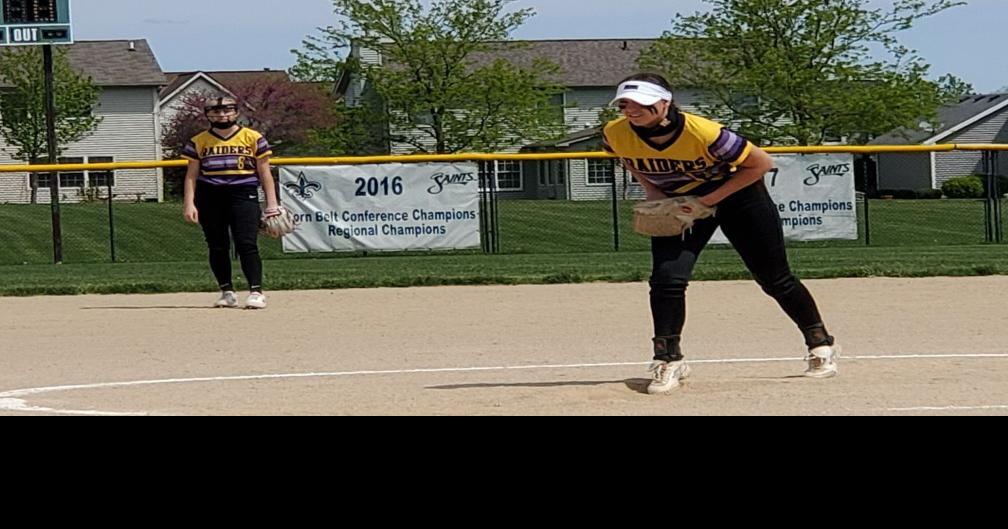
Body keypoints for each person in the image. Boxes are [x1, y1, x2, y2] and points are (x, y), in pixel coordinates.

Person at [602, 73, 839, 395]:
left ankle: (820, 344)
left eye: (641, 103)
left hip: (740, 198)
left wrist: (706, 202)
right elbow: (627, 159)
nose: (632, 110)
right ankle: (668, 359)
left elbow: (761, 164)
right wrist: (654, 192)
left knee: (774, 278)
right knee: (667, 279)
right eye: (626, 104)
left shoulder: (703, 131)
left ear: (664, 102)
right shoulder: (615, 133)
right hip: (683, 203)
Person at [182, 96, 281, 309]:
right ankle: (227, 291)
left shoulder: (253, 137)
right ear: (207, 114)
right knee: (217, 245)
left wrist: (272, 204)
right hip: (210, 194)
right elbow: (191, 175)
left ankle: (256, 291)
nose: (222, 115)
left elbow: (265, 173)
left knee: (246, 243)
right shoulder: (198, 141)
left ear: (236, 113)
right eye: (216, 111)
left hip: (243, 192)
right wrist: (189, 203)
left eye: (227, 110)